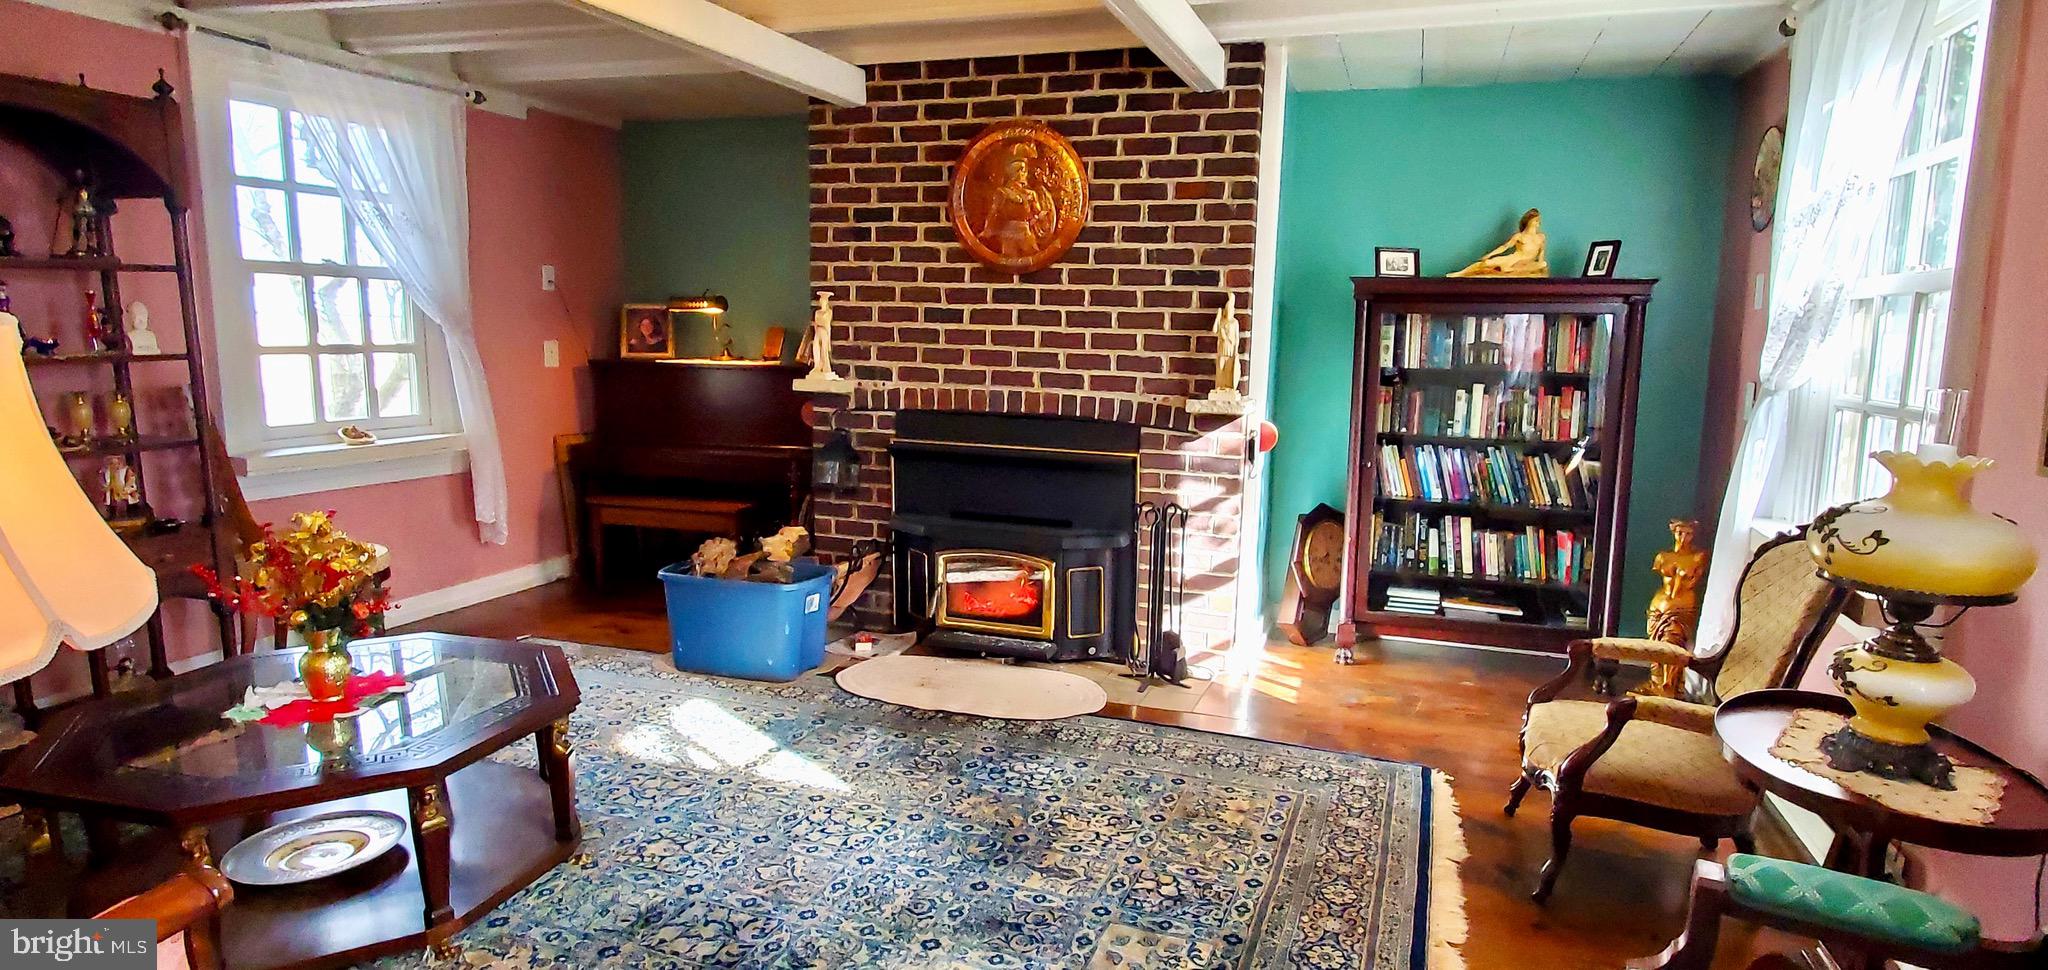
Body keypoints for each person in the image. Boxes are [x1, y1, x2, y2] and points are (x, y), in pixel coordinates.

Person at [1449, 208, 1550, 278]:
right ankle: (1460, 274)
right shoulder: (1519, 236)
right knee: (1486, 263)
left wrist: (1542, 272)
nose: (1537, 223)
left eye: (1538, 221)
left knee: (1542, 264)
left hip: (1526, 264)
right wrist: (1490, 255)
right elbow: (1504, 247)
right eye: (1535, 221)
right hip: (1513, 259)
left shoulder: (1541, 237)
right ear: (1529, 221)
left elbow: (1541, 255)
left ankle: (1507, 269)